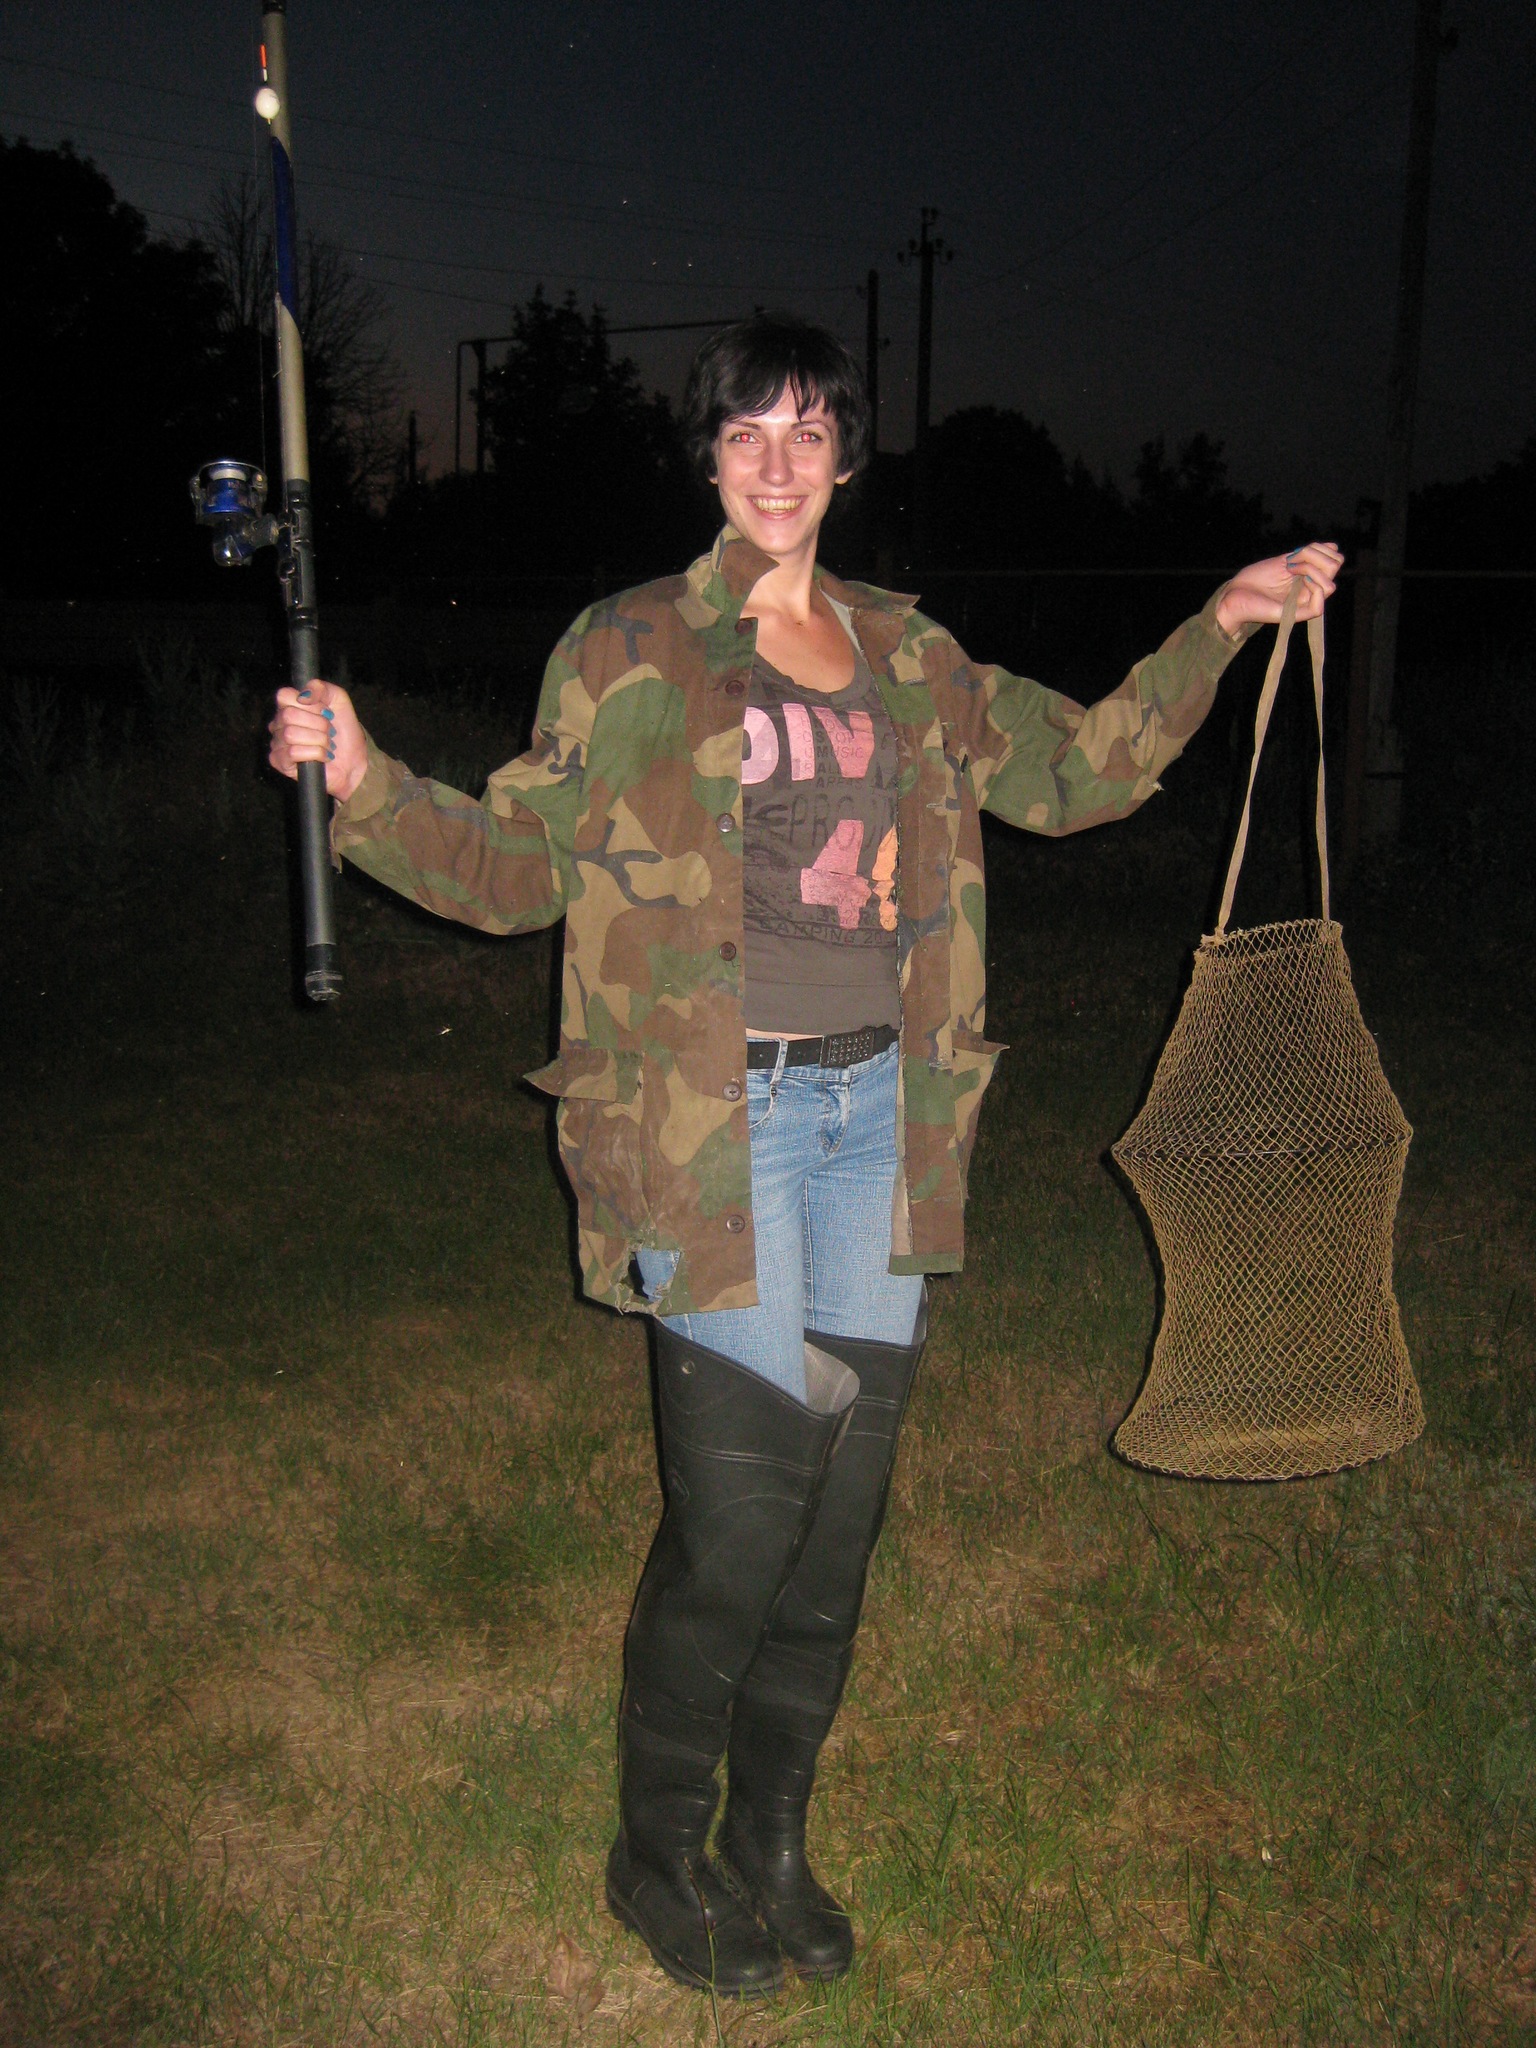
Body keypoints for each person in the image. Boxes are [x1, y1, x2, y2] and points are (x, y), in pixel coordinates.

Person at [268, 315, 1342, 2000]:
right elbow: (517, 869)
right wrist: (365, 780)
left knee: (834, 1536)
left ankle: (770, 1837)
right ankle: (656, 1853)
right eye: (746, 433)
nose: (778, 464)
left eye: (809, 432)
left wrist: (1223, 622)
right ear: (709, 458)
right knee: (739, 1527)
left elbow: (1080, 775)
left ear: (846, 456)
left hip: (882, 1126)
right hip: (711, 1132)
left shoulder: (914, 655)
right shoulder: (626, 647)